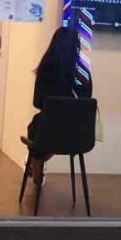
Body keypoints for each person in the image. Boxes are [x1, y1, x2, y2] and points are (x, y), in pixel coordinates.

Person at [26, 26, 92, 180]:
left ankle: (36, 161)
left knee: (38, 127)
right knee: (57, 129)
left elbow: (37, 103)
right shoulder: (83, 72)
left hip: (50, 131)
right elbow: (87, 102)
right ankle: (38, 161)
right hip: (79, 134)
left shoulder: (45, 69)